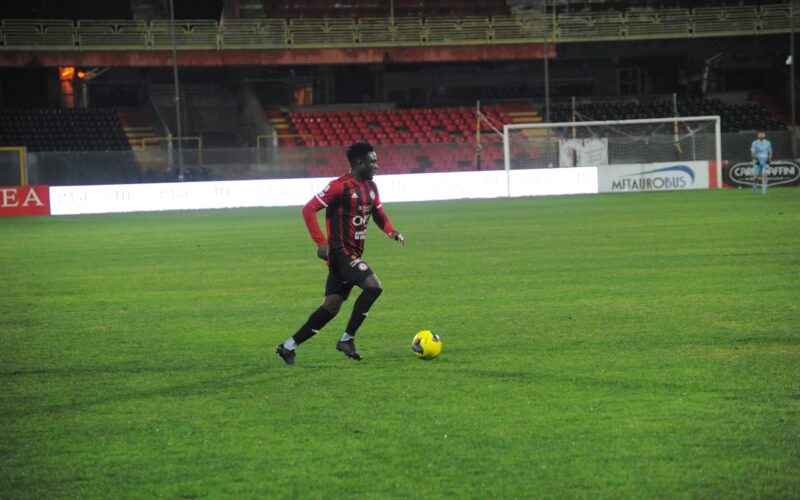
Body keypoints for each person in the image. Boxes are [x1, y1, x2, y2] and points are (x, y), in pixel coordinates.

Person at [276, 142, 405, 365]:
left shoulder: (371, 187)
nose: (377, 165)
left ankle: (288, 346)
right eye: (372, 161)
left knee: (331, 307)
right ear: (359, 163)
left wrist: (391, 232)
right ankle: (347, 339)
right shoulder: (339, 186)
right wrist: (320, 242)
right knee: (374, 287)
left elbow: (378, 213)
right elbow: (308, 209)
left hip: (352, 253)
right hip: (341, 253)